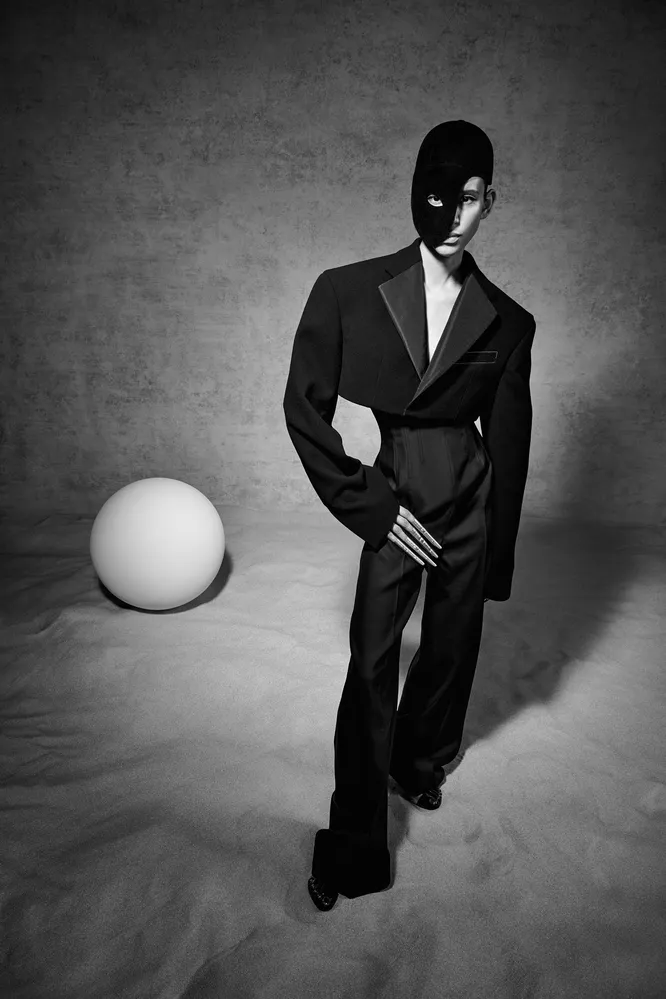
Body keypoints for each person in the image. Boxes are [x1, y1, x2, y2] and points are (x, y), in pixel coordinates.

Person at [283, 121, 536, 911]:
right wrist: (369, 504)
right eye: (439, 196)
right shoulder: (347, 290)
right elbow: (304, 410)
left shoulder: (509, 320)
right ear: (415, 193)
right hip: (395, 501)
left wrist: (495, 556)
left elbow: (511, 444)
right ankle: (354, 846)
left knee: (453, 650)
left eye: (471, 198)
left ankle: (418, 761)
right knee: (371, 665)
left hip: (470, 502)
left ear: (490, 202)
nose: (454, 216)